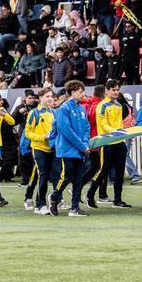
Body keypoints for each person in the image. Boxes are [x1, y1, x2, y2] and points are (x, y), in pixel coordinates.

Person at [84, 81, 132, 209]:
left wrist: (122, 132)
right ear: (107, 91)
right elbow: (103, 124)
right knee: (103, 171)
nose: (116, 92)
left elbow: (119, 123)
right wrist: (116, 132)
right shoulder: (102, 105)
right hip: (107, 142)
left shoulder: (118, 105)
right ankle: (89, 195)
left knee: (120, 172)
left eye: (117, 89)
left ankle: (118, 200)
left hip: (119, 141)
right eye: (113, 90)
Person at [49, 79, 90, 217]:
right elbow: (66, 131)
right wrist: (82, 145)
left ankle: (74, 208)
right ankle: (54, 198)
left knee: (79, 178)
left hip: (79, 149)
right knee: (65, 177)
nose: (83, 94)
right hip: (67, 149)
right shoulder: (64, 108)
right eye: (80, 91)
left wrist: (84, 144)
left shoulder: (82, 108)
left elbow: (87, 128)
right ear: (73, 92)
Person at [23, 89, 56, 215]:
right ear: (40, 98)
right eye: (47, 96)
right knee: (43, 175)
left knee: (54, 175)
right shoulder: (34, 113)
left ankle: (52, 201)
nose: (50, 99)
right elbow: (28, 133)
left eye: (51, 96)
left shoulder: (54, 112)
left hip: (52, 148)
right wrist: (43, 137)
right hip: (39, 148)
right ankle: (40, 204)